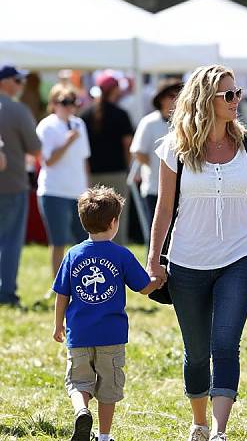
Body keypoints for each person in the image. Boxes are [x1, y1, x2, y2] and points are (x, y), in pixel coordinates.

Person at [147, 64, 247, 441]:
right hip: (186, 260)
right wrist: (155, 259)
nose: (237, 101)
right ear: (206, 100)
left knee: (225, 343)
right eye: (229, 95)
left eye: (238, 94)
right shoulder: (175, 147)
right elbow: (164, 208)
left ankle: (220, 432)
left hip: (239, 256)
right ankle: (198, 423)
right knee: (197, 349)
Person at [52, 186, 162, 441]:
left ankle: (81, 410)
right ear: (114, 222)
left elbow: (61, 295)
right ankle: (103, 438)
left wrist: (58, 325)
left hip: (78, 334)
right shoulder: (121, 254)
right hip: (111, 336)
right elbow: (143, 287)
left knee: (79, 383)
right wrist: (159, 280)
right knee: (108, 389)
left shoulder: (72, 255)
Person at [36, 84, 90, 298]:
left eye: (73, 102)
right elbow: (48, 160)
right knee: (58, 241)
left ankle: (80, 283)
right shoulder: (46, 126)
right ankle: (57, 288)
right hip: (53, 191)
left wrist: (88, 189)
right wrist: (67, 142)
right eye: (65, 102)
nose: (70, 107)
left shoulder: (80, 124)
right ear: (54, 104)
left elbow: (84, 160)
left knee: (83, 240)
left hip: (78, 191)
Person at [0, 64, 41, 306]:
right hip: (13, 184)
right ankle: (6, 294)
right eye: (18, 81)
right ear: (5, 82)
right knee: (10, 242)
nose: (21, 86)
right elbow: (35, 149)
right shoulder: (17, 110)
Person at [81, 71, 134, 245]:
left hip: (93, 176)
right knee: (117, 220)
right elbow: (128, 145)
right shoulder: (121, 114)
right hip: (116, 174)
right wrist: (128, 168)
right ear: (115, 90)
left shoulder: (85, 114)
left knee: (93, 221)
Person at [130, 78, 183, 226]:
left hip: (182, 189)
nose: (177, 100)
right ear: (161, 99)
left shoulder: (185, 122)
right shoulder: (149, 122)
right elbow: (137, 151)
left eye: (179, 95)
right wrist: (157, 166)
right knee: (156, 232)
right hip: (154, 188)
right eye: (172, 96)